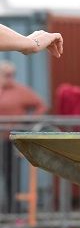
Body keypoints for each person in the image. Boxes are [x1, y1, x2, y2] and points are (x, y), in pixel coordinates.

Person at [0, 61, 48, 212]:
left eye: (11, 74)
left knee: (11, 176)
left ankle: (12, 211)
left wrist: (28, 121)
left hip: (9, 140)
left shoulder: (20, 91)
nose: (9, 77)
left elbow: (41, 105)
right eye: (5, 74)